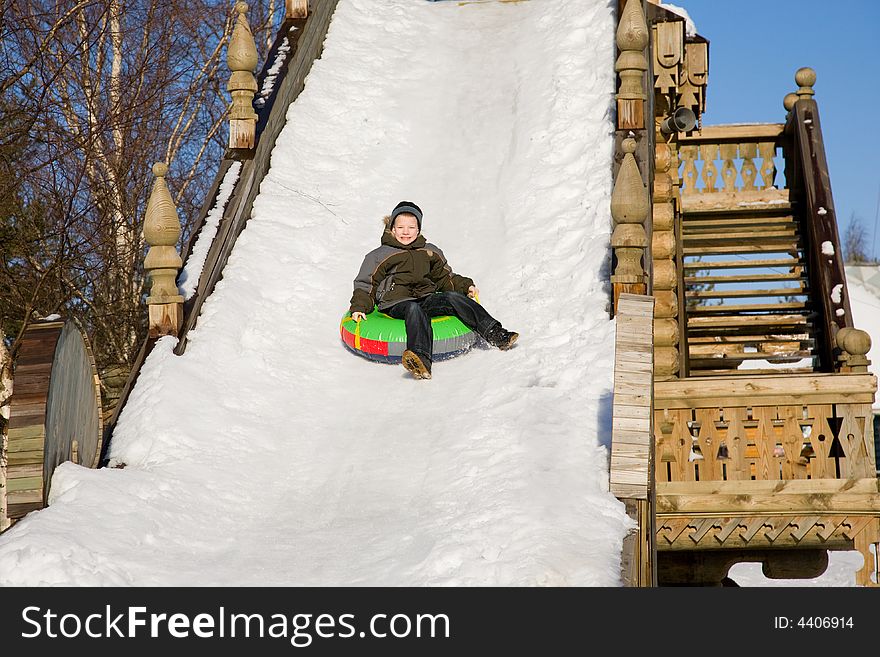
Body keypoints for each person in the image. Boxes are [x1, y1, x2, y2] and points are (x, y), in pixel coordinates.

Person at [349, 201, 518, 380]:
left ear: (418, 230)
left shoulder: (430, 251)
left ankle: (496, 334)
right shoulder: (379, 255)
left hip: (426, 298)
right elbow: (365, 284)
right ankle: (420, 360)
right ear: (392, 229)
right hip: (396, 303)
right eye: (400, 227)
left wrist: (465, 286)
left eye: (411, 227)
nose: (405, 232)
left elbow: (446, 278)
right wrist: (359, 306)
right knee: (414, 309)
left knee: (452, 297)